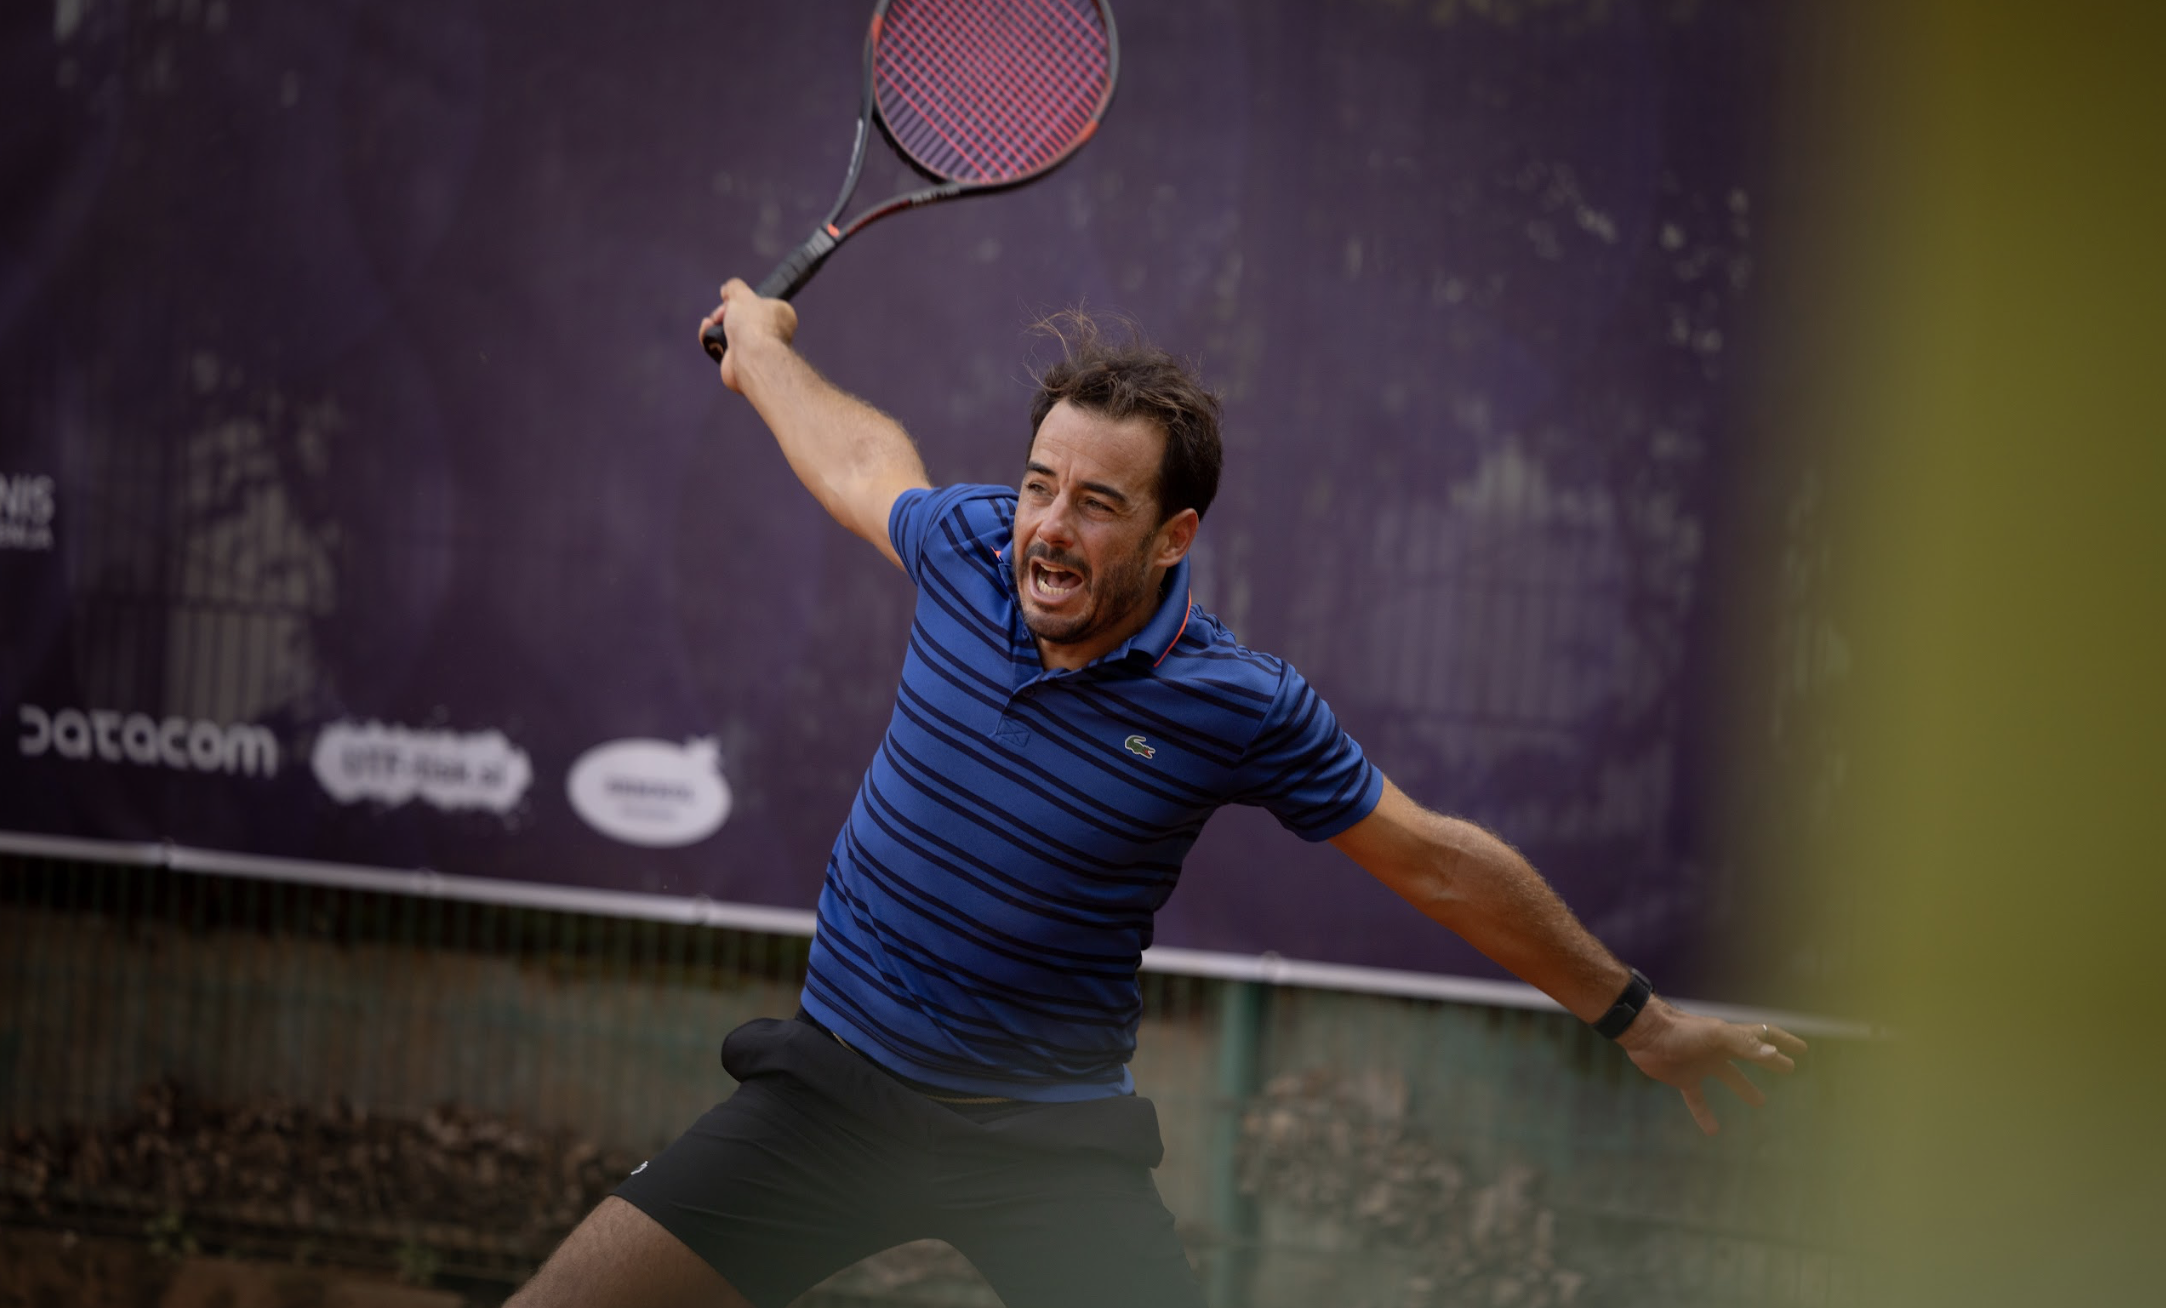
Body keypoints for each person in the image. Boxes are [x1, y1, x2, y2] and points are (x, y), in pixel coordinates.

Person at [508, 283, 1807, 1308]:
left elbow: (1438, 863)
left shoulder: (1236, 701)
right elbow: (859, 461)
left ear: (1172, 535)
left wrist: (1633, 1017)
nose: (1048, 528)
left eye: (1095, 503)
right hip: (829, 1095)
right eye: (1037, 486)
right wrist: (760, 342)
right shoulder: (967, 550)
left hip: (1044, 1151)